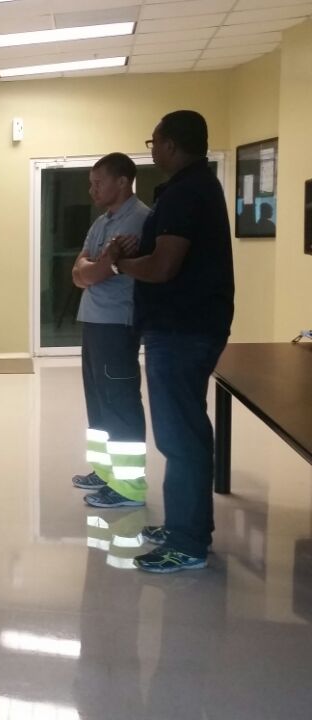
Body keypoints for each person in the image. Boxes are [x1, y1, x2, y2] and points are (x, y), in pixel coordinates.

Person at [102, 110, 234, 574]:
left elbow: (163, 268)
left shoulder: (184, 192)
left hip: (182, 330)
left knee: (180, 438)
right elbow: (164, 257)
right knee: (184, 431)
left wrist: (122, 264)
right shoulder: (196, 187)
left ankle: (188, 542)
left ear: (172, 145)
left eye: (154, 142)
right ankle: (186, 525)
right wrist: (142, 256)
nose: (152, 149)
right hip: (188, 327)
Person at [68, 153, 151, 511]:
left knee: (120, 403)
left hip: (118, 323)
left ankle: (129, 487)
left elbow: (96, 273)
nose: (92, 189)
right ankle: (105, 472)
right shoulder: (103, 222)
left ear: (122, 181)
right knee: (99, 402)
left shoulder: (141, 219)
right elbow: (79, 273)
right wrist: (103, 264)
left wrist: (99, 268)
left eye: (98, 182)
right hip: (95, 321)